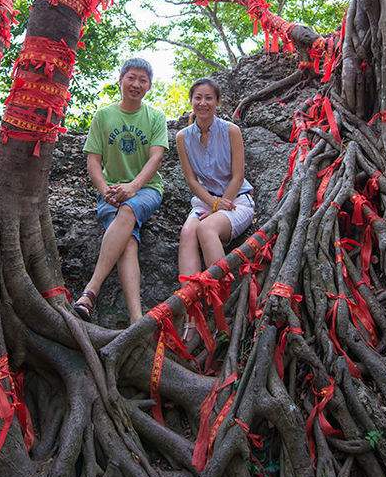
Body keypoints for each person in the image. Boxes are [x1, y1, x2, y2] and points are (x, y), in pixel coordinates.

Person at [74, 58, 168, 323]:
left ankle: (90, 291)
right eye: (132, 77)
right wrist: (104, 190)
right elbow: (93, 160)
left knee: (128, 209)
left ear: (149, 86)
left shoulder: (155, 117)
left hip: (147, 189)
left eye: (143, 80)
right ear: (121, 79)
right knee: (128, 243)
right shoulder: (103, 116)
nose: (136, 84)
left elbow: (156, 157)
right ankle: (137, 318)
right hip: (111, 190)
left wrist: (133, 187)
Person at [176, 78, 254, 283]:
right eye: (198, 98)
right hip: (205, 200)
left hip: (236, 200)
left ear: (217, 102)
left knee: (206, 228)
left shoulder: (231, 131)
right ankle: (189, 303)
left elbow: (238, 175)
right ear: (191, 101)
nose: (203, 103)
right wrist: (212, 204)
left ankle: (221, 296)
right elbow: (191, 180)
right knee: (187, 233)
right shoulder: (183, 137)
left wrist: (219, 206)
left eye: (209, 98)